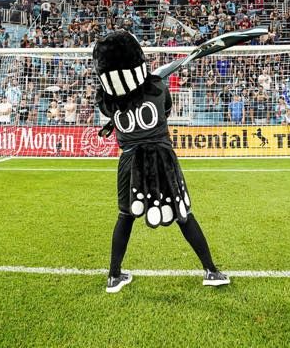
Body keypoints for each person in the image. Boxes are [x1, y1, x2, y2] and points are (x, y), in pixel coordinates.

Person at [93, 30, 228, 293]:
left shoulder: (107, 100)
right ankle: (211, 270)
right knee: (184, 216)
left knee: (125, 216)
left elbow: (110, 100)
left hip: (129, 161)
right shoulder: (158, 88)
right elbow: (166, 110)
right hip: (161, 158)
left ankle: (114, 276)